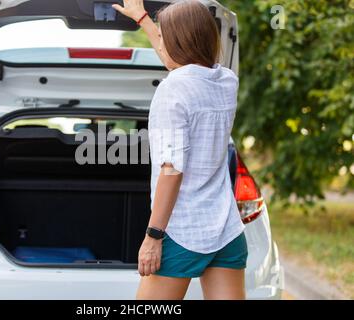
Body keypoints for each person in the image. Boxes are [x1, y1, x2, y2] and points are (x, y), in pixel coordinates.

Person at [112, 0, 248, 300]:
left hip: (182, 231)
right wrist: (144, 19)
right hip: (226, 231)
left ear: (178, 42)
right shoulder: (226, 81)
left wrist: (153, 237)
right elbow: (179, 63)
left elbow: (171, 170)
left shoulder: (172, 89)